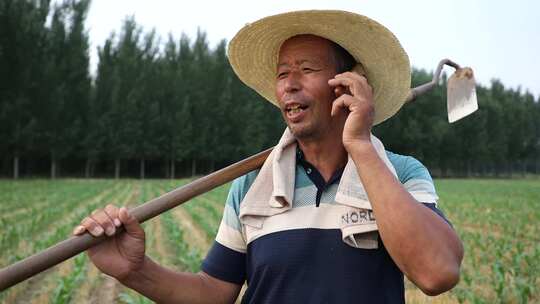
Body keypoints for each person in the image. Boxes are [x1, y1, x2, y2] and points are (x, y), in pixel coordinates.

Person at [74, 10, 463, 304]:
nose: (289, 84)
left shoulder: (400, 173)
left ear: (349, 84)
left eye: (307, 69)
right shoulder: (252, 186)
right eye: (282, 74)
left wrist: (360, 147)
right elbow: (214, 292)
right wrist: (136, 272)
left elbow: (437, 272)